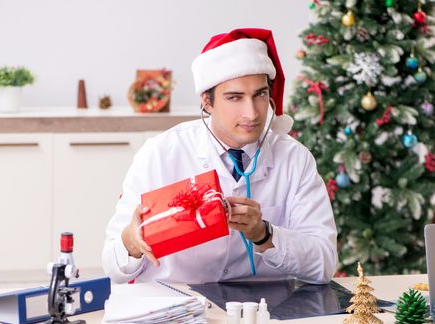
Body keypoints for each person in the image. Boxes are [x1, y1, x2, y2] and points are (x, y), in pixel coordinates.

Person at [102, 28, 337, 284]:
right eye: (235, 97)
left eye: (259, 95)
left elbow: (324, 265)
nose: (252, 113)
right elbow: (113, 267)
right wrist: (131, 241)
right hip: (177, 307)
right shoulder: (160, 153)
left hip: (261, 311)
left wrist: (265, 234)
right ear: (207, 102)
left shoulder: (295, 159)